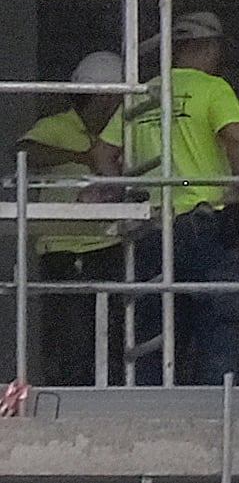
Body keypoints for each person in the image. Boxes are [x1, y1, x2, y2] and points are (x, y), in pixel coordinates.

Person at [90, 12, 239, 387]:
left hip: (151, 226)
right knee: (217, 322)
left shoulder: (146, 93)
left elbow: (101, 152)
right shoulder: (214, 89)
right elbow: (238, 138)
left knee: (155, 327)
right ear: (206, 47)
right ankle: (216, 407)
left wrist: (121, 191)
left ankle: (152, 409)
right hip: (204, 224)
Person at [19, 51, 128, 384]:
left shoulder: (124, 130)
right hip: (63, 248)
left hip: (109, 243)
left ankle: (106, 398)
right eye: (115, 96)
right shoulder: (56, 126)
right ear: (100, 95)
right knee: (72, 336)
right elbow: (25, 152)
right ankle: (73, 396)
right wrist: (84, 157)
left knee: (112, 336)